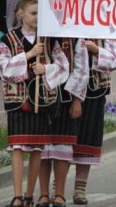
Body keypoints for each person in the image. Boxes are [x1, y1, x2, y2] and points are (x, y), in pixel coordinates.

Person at [0, 0, 70, 207]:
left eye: (40, 13)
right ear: (21, 14)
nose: (37, 17)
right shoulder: (8, 39)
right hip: (18, 101)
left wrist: (45, 68)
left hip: (41, 100)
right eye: (33, 13)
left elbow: (63, 66)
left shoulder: (47, 39)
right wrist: (29, 55)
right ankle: (18, 196)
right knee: (17, 146)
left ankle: (30, 194)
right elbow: (3, 67)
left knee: (37, 147)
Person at [37, 36, 89, 207]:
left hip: (66, 98)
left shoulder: (75, 38)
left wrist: (76, 100)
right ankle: (43, 194)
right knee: (42, 149)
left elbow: (82, 70)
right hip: (40, 98)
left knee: (62, 147)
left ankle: (59, 194)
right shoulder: (39, 37)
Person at [71, 39, 116, 204]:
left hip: (95, 92)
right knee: (63, 141)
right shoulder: (70, 28)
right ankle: (57, 188)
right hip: (68, 91)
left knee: (88, 140)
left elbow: (115, 60)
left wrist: (96, 50)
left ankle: (80, 189)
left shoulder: (104, 31)